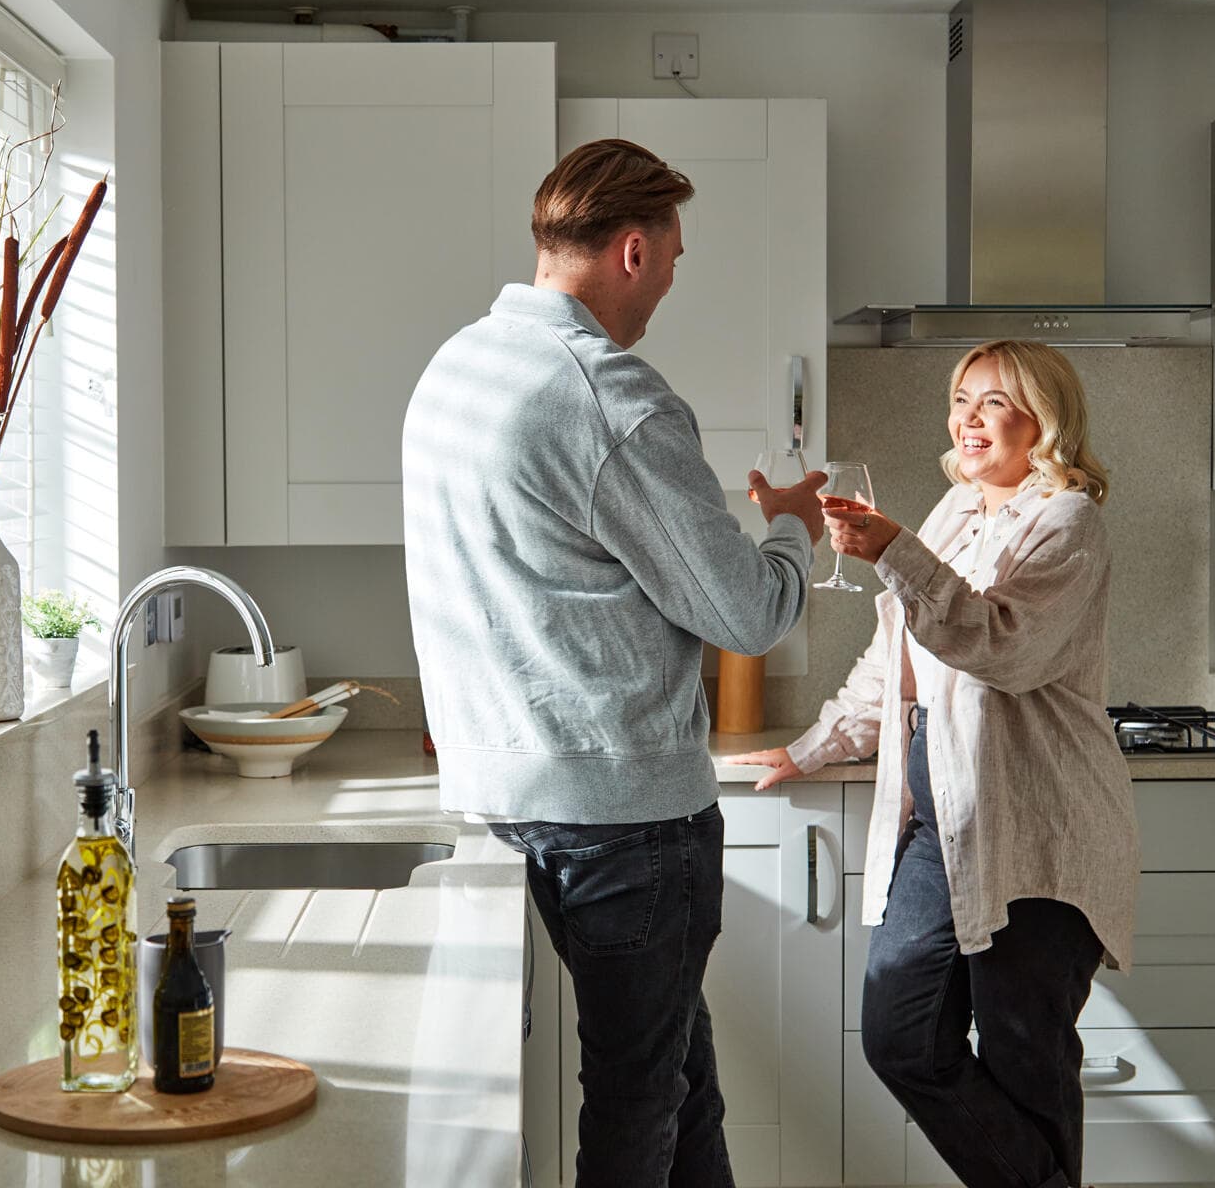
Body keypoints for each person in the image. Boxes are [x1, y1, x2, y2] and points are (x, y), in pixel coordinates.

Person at [401, 138, 828, 1188]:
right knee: (642, 1102)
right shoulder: (608, 395)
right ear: (631, 249)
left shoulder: (458, 367)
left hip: (511, 797)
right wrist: (795, 530)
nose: (672, 282)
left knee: (678, 1084)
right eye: (675, 258)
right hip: (625, 816)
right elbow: (748, 613)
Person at [730, 339, 1140, 1188]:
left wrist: (892, 550)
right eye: (962, 399)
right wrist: (815, 745)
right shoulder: (954, 510)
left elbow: (1002, 649)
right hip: (942, 825)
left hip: (1040, 828)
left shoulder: (1067, 521)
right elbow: (898, 660)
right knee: (901, 1037)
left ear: (1044, 416)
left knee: (1028, 1058)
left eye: (994, 401)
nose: (969, 417)